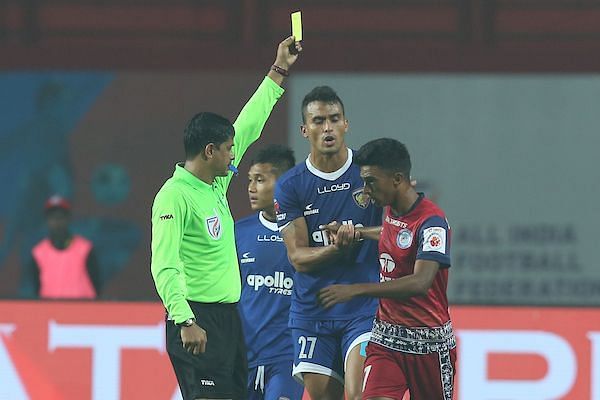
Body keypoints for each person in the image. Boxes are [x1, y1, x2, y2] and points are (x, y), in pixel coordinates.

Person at [151, 36, 302, 400]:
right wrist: (184, 319)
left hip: (229, 322)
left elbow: (247, 126)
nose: (235, 154)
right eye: (229, 149)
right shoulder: (174, 195)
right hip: (196, 319)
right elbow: (164, 264)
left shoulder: (213, 186)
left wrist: (278, 70)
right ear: (209, 151)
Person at [317, 138, 456, 400]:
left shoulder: (433, 222)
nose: (366, 190)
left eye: (371, 182)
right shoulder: (393, 208)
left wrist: (357, 290)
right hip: (386, 338)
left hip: (429, 344)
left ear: (397, 179)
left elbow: (420, 282)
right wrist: (358, 233)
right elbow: (393, 231)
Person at [273, 86, 381, 400]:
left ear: (346, 124)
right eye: (319, 121)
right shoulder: (291, 185)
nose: (328, 128)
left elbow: (397, 226)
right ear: (305, 130)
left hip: (363, 307)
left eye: (334, 119)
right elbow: (297, 257)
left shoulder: (369, 171)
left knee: (360, 395)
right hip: (312, 312)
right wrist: (337, 248)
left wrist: (358, 234)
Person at [235, 144, 304, 400]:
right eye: (250, 180)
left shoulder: (305, 233)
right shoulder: (239, 232)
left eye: (260, 180)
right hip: (243, 357)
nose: (251, 187)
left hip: (288, 356)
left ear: (284, 182)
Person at [24, 195, 101, 299]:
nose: (57, 222)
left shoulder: (85, 249)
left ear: (68, 219)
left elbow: (97, 284)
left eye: (61, 217)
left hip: (82, 311)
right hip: (51, 312)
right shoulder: (38, 253)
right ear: (47, 221)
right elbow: (36, 289)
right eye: (53, 218)